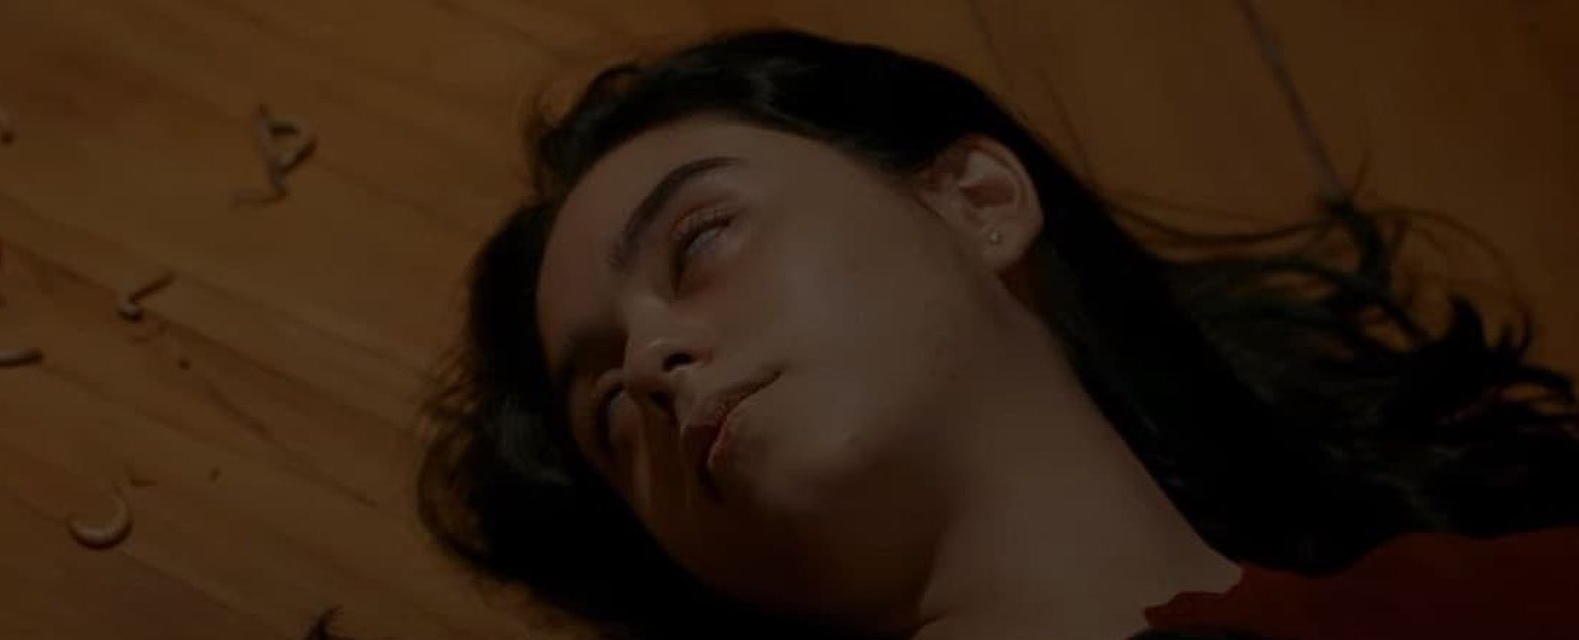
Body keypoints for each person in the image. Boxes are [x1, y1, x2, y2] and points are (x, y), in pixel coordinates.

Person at [416, 29, 1579, 639]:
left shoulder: (1512, 596)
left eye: (700, 240)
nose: (646, 364)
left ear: (976, 199)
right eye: (606, 415)